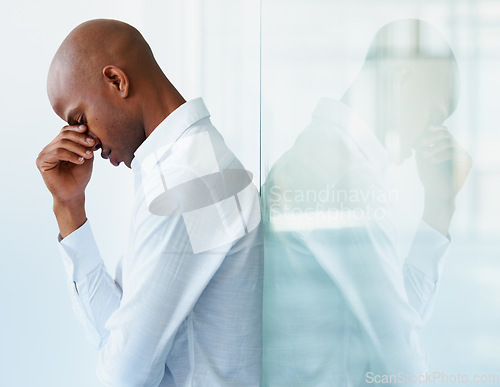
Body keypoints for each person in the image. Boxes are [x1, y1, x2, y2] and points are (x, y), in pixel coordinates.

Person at [36, 19, 263, 387]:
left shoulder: (187, 179)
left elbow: (125, 376)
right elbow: (118, 338)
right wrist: (69, 206)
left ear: (116, 81)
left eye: (79, 120)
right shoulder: (180, 170)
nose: (84, 141)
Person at [262, 19, 472, 386]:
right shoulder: (347, 177)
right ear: (401, 79)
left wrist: (440, 206)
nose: (432, 134)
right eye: (434, 115)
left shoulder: (324, 156)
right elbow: (403, 365)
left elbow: (396, 316)